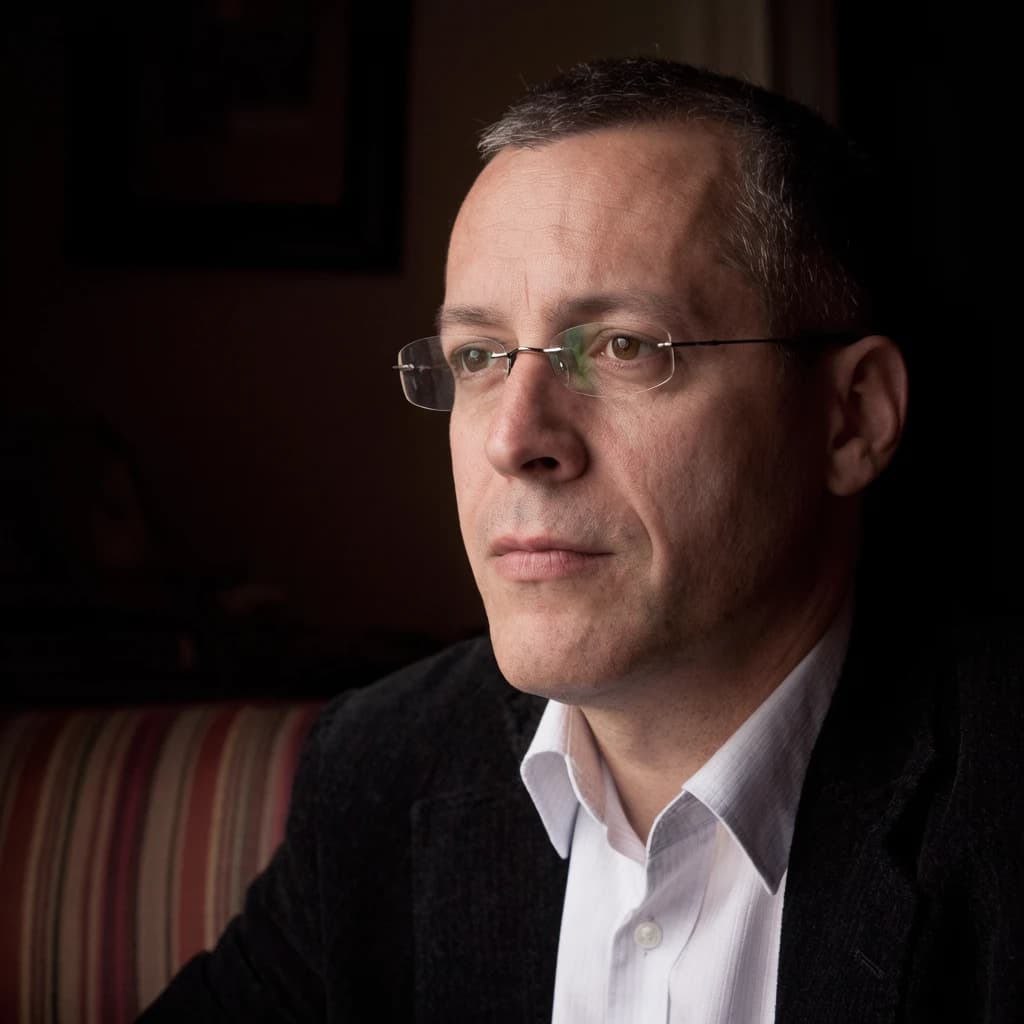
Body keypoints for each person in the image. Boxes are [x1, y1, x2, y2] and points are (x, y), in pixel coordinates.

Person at [140, 58, 1022, 1023]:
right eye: (477, 357)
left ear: (850, 419)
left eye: (622, 347)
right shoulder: (384, 768)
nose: (515, 440)